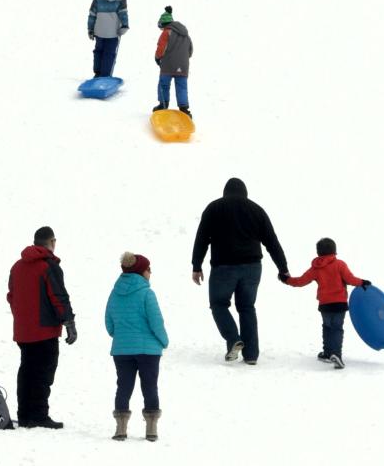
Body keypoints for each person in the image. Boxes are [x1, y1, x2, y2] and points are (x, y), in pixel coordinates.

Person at [191, 177, 289, 365]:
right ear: (245, 192)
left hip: (223, 267)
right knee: (246, 307)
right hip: (252, 268)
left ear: (225, 192)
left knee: (219, 304)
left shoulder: (214, 208)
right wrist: (283, 268)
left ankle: (234, 339)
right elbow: (272, 241)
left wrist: (197, 265)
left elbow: (202, 237)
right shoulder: (257, 210)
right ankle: (251, 355)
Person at [7, 225, 77, 428]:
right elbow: (58, 297)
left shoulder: (17, 267)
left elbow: (12, 296)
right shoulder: (48, 266)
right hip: (45, 330)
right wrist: (69, 323)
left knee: (27, 370)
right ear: (52, 242)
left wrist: (22, 318)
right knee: (44, 372)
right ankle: (38, 415)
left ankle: (25, 414)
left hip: (23, 330)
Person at [105, 251, 169, 442]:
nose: (150, 272)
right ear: (141, 271)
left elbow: (109, 322)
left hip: (121, 350)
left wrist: (121, 337)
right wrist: (163, 341)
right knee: (149, 386)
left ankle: (121, 428)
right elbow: (156, 322)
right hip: (148, 350)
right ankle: (151, 429)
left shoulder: (114, 293)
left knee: (123, 386)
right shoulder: (147, 293)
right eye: (149, 269)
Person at [282, 237, 369, 370]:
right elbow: (350, 279)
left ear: (318, 252)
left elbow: (300, 281)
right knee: (337, 329)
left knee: (327, 327)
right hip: (339, 304)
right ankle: (337, 355)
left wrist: (286, 279)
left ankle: (328, 353)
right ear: (334, 251)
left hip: (325, 305)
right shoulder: (340, 264)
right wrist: (362, 282)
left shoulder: (316, 268)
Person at [152, 5, 193, 117]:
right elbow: (190, 50)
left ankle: (163, 105)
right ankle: (184, 109)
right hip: (183, 65)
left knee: (164, 84)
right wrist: (182, 60)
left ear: (164, 24)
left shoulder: (167, 32)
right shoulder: (185, 34)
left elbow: (161, 47)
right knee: (182, 86)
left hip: (168, 64)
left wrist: (157, 57)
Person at [88, 0, 129, 76]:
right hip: (113, 32)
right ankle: (105, 75)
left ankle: (97, 72)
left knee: (99, 51)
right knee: (109, 53)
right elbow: (123, 13)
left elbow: (92, 13)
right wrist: (124, 26)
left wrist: (90, 28)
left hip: (99, 31)